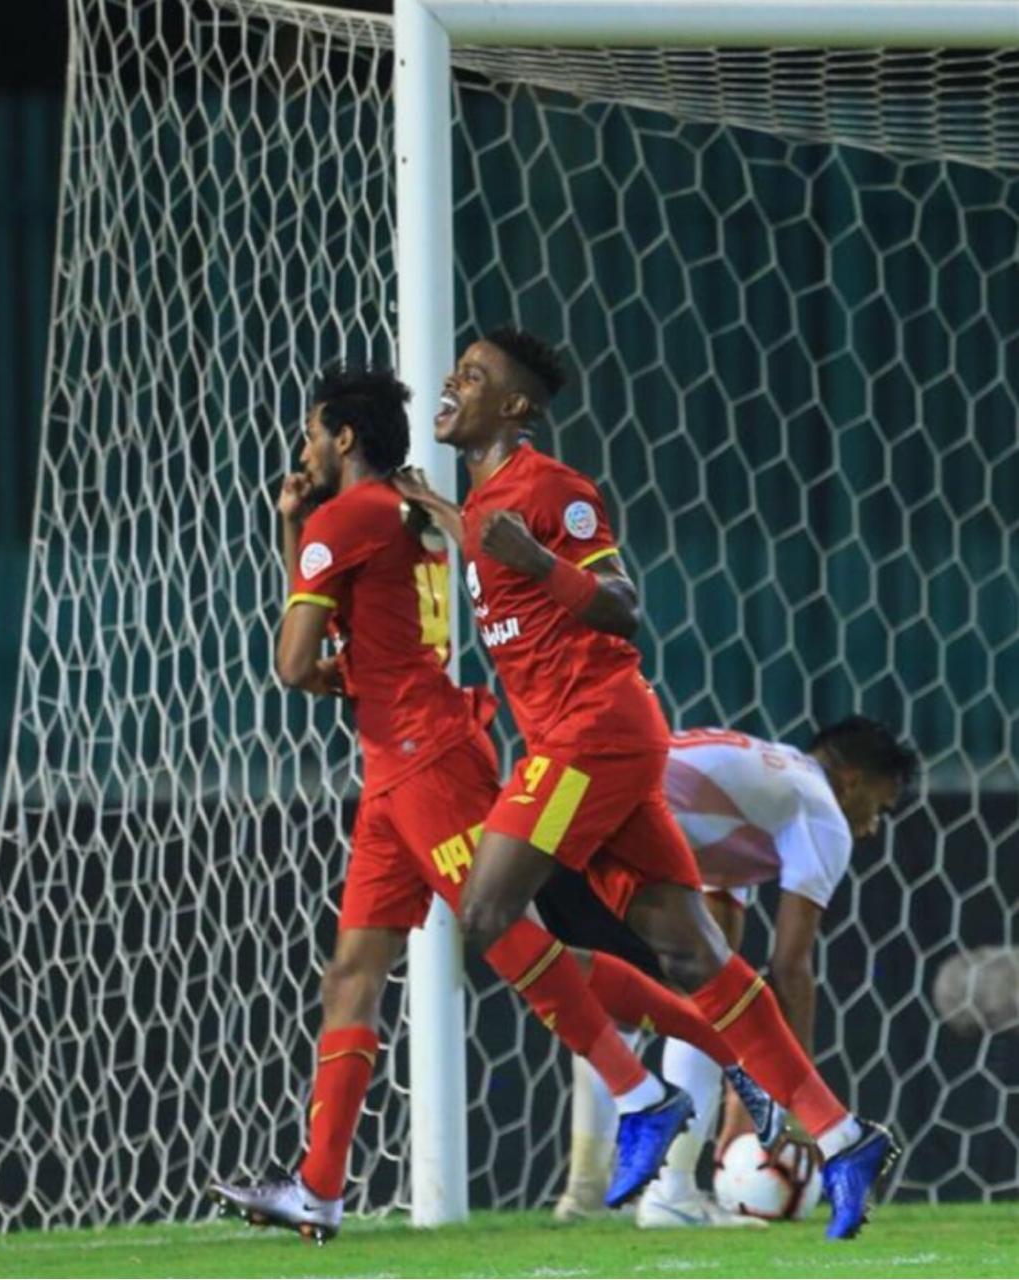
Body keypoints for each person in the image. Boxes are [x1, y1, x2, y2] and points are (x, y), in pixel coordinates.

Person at [207, 367, 779, 1242]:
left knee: (513, 940)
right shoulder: (404, 519)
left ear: (344, 439)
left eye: (312, 432)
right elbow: (369, 637)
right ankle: (318, 1186)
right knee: (356, 971)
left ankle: (653, 1084)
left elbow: (293, 665)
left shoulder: (344, 520)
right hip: (398, 756)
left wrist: (298, 544)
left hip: (424, 756)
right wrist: (297, 537)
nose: (303, 448)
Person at [408, 326, 901, 1240]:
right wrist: (432, 505)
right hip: (598, 745)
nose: (451, 382)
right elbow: (487, 544)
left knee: (484, 914)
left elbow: (624, 608)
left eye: (472, 376)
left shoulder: (554, 492)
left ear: (514, 408)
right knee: (692, 956)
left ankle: (642, 1099)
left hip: (589, 735)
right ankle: (841, 1135)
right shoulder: (483, 508)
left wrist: (536, 562)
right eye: (456, 370)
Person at [540, 718, 918, 1226]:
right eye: (878, 807)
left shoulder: (753, 799)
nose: (872, 827)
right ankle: (670, 1194)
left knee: (662, 1002)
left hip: (555, 814)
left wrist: (752, 1091)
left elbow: (723, 955)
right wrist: (795, 1100)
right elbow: (790, 968)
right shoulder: (819, 809)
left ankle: (585, 1197)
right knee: (705, 1003)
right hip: (597, 819)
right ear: (851, 780)